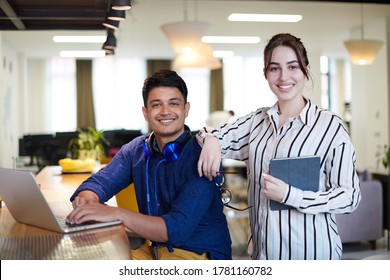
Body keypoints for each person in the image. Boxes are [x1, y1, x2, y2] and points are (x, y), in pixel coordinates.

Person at [196, 33, 361, 260]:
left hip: (312, 256)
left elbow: (350, 197)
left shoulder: (330, 126)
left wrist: (292, 195)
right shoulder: (255, 122)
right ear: (266, 73)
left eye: (292, 67)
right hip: (265, 256)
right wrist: (212, 140)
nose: (284, 76)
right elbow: (208, 134)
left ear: (306, 70)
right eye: (274, 68)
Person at [66, 69, 232, 260]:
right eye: (156, 105)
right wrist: (88, 199)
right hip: (154, 250)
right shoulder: (137, 149)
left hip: (198, 254)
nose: (165, 111)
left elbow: (174, 229)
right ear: (145, 112)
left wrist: (114, 213)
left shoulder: (203, 155)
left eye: (173, 104)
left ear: (186, 109)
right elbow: (101, 182)